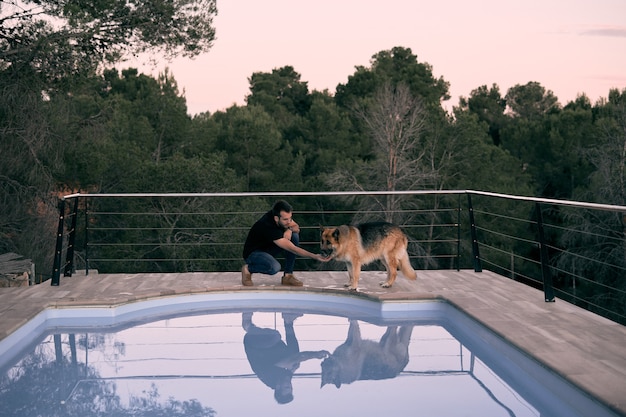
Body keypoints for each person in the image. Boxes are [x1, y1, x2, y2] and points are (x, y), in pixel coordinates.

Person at [242, 312, 329, 404]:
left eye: (287, 387)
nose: (289, 384)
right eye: (291, 387)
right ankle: (288, 321)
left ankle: (248, 326)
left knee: (275, 336)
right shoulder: (283, 378)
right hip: (270, 347)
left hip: (254, 343)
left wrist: (315, 354)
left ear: (278, 387)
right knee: (295, 360)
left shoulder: (270, 377)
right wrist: (294, 368)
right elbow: (293, 365)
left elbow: (294, 358)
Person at [242, 200, 328, 286]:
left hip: (269, 247)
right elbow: (294, 249)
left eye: (290, 218)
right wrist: (315, 256)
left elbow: (296, 228)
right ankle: (248, 269)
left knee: (294, 236)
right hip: (254, 253)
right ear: (276, 218)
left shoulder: (280, 217)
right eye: (286, 219)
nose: (289, 221)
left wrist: (289, 230)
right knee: (274, 267)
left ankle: (288, 275)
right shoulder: (268, 226)